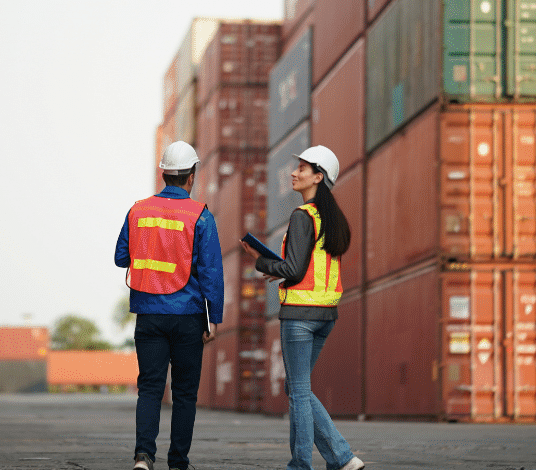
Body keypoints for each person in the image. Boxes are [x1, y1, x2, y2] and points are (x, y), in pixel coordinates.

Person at [241, 145, 364, 470]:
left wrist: (262, 261)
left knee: (297, 389)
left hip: (299, 315)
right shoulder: (332, 218)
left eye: (302, 168)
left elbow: (293, 270)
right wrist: (276, 269)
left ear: (318, 177)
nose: (294, 173)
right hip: (326, 314)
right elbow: (308, 267)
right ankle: (338, 459)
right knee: (297, 388)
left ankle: (317, 461)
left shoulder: (302, 216)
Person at [116, 141, 224, 470]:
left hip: (148, 314)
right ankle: (177, 462)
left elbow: (121, 257)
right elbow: (211, 273)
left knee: (149, 388)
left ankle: (143, 457)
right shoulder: (200, 216)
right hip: (188, 316)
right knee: (185, 393)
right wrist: (213, 318)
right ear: (191, 176)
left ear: (163, 173)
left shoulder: (138, 210)